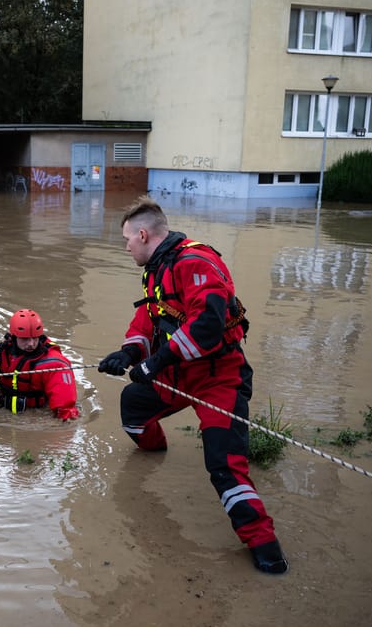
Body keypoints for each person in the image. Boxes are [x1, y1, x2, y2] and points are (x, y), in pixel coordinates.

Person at [98, 195, 287, 574]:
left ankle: (265, 546)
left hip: (219, 377)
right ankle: (154, 448)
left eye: (127, 240)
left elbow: (207, 323)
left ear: (143, 234)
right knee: (132, 408)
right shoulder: (156, 269)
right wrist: (129, 353)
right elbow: (148, 319)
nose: (125, 247)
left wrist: (154, 362)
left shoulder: (194, 261)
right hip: (179, 374)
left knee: (224, 466)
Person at [0, 309, 80, 422]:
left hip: (30, 415)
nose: (31, 344)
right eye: (25, 339)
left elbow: (67, 411)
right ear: (13, 337)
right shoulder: (3, 350)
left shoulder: (54, 364)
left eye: (35, 338)